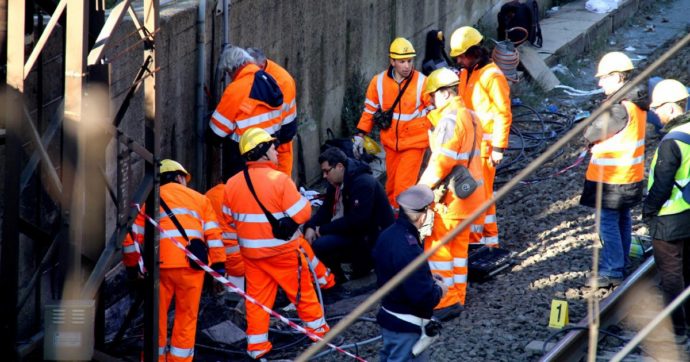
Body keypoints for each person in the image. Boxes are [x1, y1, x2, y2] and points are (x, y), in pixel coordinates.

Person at [222, 127, 329, 359]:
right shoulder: (279, 180)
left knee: (257, 302)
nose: (276, 150)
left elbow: (228, 218)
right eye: (271, 146)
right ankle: (319, 333)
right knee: (302, 293)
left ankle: (257, 347)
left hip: (252, 255)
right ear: (261, 152)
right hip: (283, 253)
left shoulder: (232, 184)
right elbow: (303, 212)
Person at [122, 159, 226, 362]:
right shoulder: (200, 199)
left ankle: (154, 359)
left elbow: (130, 237)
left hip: (160, 267)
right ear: (180, 177)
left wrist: (133, 267)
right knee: (187, 318)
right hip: (192, 266)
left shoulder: (150, 200)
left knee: (156, 318)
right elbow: (213, 234)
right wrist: (219, 267)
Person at [417, 68, 485, 320]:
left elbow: (441, 163)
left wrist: (421, 190)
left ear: (444, 94)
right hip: (471, 195)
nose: (431, 102)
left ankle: (444, 301)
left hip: (451, 200)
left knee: (438, 250)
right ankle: (458, 296)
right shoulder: (470, 115)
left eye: (433, 96)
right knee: (458, 250)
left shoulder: (449, 120)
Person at [581, 51, 647, 288]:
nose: (600, 83)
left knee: (608, 222)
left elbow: (592, 132)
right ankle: (620, 261)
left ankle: (612, 269)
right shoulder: (635, 104)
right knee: (622, 219)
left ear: (618, 77)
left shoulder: (619, 108)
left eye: (604, 78)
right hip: (629, 176)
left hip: (611, 179)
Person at [449, 26, 512, 247]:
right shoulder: (468, 72)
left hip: (485, 148)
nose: (458, 61)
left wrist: (498, 147)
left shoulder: (491, 76)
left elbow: (503, 112)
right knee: (479, 194)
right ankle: (486, 239)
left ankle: (482, 241)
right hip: (472, 146)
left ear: (473, 53)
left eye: (461, 57)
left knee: (482, 195)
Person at [354, 37, 432, 208]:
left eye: (410, 61)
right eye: (402, 61)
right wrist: (360, 134)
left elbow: (434, 110)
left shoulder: (422, 82)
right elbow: (370, 110)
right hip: (391, 144)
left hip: (414, 143)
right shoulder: (379, 82)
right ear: (392, 61)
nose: (407, 66)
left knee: (403, 186)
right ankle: (393, 220)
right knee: (391, 187)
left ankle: (401, 222)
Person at [373, 184, 447, 362]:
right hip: (408, 326)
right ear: (420, 215)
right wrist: (439, 290)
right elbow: (422, 297)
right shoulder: (410, 247)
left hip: (389, 315)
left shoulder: (387, 235)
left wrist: (428, 279)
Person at [643, 79, 690, 343]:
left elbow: (661, 185)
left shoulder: (671, 142)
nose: (655, 113)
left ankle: (677, 330)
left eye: (658, 108)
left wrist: (648, 211)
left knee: (672, 275)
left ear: (672, 108)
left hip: (670, 218)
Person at [304, 147, 394, 284]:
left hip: (373, 239)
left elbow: (357, 222)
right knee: (317, 242)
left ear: (340, 167)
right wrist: (310, 226)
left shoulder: (363, 183)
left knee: (320, 244)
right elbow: (325, 210)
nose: (324, 176)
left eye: (326, 171)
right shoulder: (336, 183)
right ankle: (338, 278)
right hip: (358, 235)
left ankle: (343, 278)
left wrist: (321, 230)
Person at [209, 46, 284, 178]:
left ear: (232, 69)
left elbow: (216, 132)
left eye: (227, 72)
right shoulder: (269, 79)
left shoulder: (237, 89)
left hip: (244, 157)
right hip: (270, 150)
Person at [247, 47, 298, 177]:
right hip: (269, 143)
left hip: (280, 145)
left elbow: (277, 120)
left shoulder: (282, 81)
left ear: (261, 65)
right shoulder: (263, 76)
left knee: (280, 183)